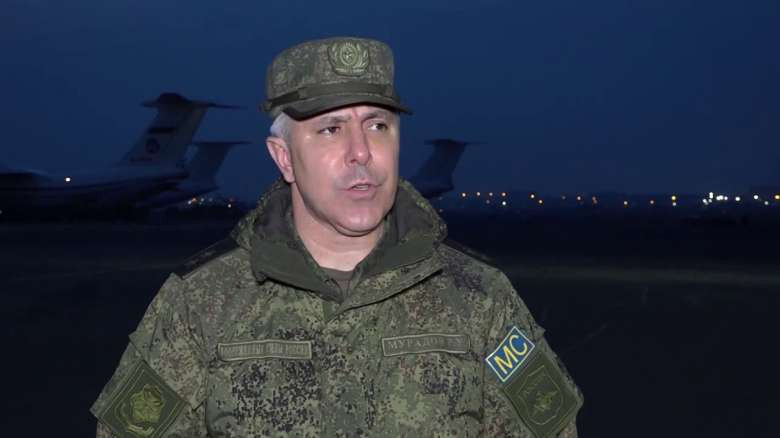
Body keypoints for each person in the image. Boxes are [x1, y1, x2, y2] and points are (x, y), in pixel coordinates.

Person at [91, 36, 583, 437]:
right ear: (283, 157)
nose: (361, 152)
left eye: (378, 125)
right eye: (330, 129)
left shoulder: (479, 298)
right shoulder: (201, 304)